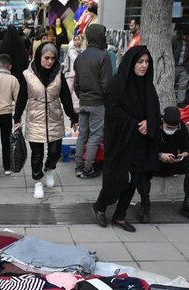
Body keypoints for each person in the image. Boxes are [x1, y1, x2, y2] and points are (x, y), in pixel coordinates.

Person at [92, 46, 160, 233]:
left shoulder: (147, 85)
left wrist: (149, 122)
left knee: (135, 180)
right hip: (121, 141)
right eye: (140, 61)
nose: (144, 66)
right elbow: (113, 111)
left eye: (147, 62)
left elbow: (154, 110)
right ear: (131, 62)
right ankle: (100, 206)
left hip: (140, 142)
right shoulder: (117, 84)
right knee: (117, 179)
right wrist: (135, 124)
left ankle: (120, 216)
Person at [14, 42, 78, 199]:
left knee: (55, 152)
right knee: (37, 154)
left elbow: (66, 97)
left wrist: (73, 117)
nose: (49, 61)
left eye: (53, 58)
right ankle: (37, 181)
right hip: (35, 117)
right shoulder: (27, 75)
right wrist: (16, 118)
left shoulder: (58, 74)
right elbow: (21, 98)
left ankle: (49, 168)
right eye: (46, 58)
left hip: (55, 117)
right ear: (39, 57)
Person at [138, 106, 189, 224]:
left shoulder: (181, 127)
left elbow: (187, 148)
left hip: (172, 163)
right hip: (154, 163)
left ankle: (188, 202)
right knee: (141, 166)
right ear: (163, 120)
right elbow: (143, 150)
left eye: (174, 128)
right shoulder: (153, 126)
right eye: (168, 128)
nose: (171, 130)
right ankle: (145, 204)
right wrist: (160, 156)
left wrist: (181, 157)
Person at [73, 24, 112, 179]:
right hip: (98, 103)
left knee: (82, 135)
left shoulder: (81, 56)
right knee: (95, 136)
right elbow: (106, 84)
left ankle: (78, 166)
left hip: (84, 101)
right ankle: (88, 168)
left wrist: (82, 96)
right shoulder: (104, 56)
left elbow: (76, 83)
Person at [172, 25, 189, 107]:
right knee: (171, 82)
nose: (187, 38)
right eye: (185, 36)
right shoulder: (175, 39)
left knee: (183, 85)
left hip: (186, 66)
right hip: (175, 65)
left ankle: (180, 101)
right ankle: (171, 99)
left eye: (188, 36)